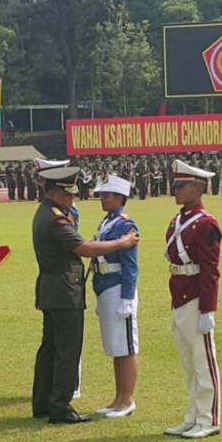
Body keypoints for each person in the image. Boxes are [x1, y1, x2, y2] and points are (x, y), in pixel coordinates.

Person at [31, 158, 139, 424]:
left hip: (52, 290)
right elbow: (85, 250)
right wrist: (122, 242)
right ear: (56, 192)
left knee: (51, 348)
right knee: (67, 350)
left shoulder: (45, 212)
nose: (72, 199)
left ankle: (44, 401)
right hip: (64, 291)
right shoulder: (55, 219)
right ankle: (60, 406)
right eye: (68, 193)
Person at [163, 159, 222, 439]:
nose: (174, 190)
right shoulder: (178, 220)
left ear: (197, 189)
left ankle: (208, 418)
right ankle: (192, 415)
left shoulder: (206, 223)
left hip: (197, 296)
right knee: (189, 363)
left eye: (180, 186)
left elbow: (211, 269)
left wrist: (207, 309)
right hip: (180, 294)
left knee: (203, 361)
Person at [90, 175, 140, 419]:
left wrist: (127, 297)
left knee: (126, 347)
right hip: (105, 285)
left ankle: (127, 399)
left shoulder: (125, 225)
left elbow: (130, 265)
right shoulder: (108, 222)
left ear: (119, 197)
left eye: (106, 195)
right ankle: (118, 397)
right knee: (115, 346)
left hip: (119, 286)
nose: (102, 199)